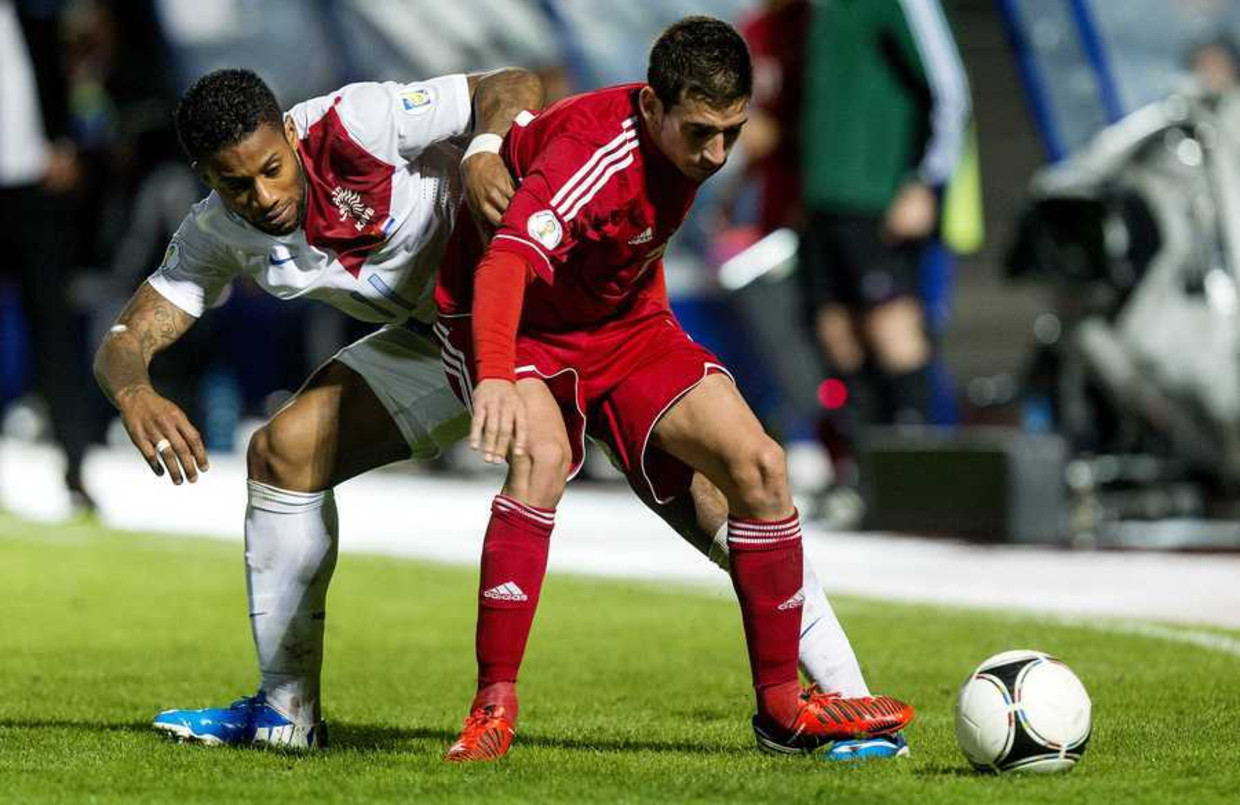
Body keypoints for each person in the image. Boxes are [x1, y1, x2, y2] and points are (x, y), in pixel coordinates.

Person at [93, 65, 888, 753]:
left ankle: (846, 697)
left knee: (708, 493)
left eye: (271, 168)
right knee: (282, 452)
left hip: (532, 303)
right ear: (207, 178)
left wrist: (479, 148)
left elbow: (511, 86)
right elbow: (128, 333)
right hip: (438, 336)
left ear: (289, 139)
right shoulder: (216, 233)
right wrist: (133, 388)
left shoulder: (357, 122)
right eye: (235, 183)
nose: (263, 195)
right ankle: (286, 711)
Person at [434, 16, 913, 763]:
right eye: (700, 133)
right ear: (653, 109)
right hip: (525, 326)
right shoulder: (593, 151)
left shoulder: (689, 148)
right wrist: (494, 373)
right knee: (541, 461)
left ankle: (789, 710)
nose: (716, 153)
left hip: (624, 326)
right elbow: (502, 266)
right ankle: (492, 705)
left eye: (732, 131)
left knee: (760, 466)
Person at [798, 0, 971, 474]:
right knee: (836, 334)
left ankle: (918, 474)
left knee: (893, 330)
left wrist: (923, 180)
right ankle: (864, 474)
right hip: (823, 198)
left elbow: (949, 90)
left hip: (877, 195)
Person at [0, 0, 96, 513]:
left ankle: (76, 470)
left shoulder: (35, 19)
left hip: (33, 195)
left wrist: (64, 144)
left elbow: (64, 84)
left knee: (56, 335)